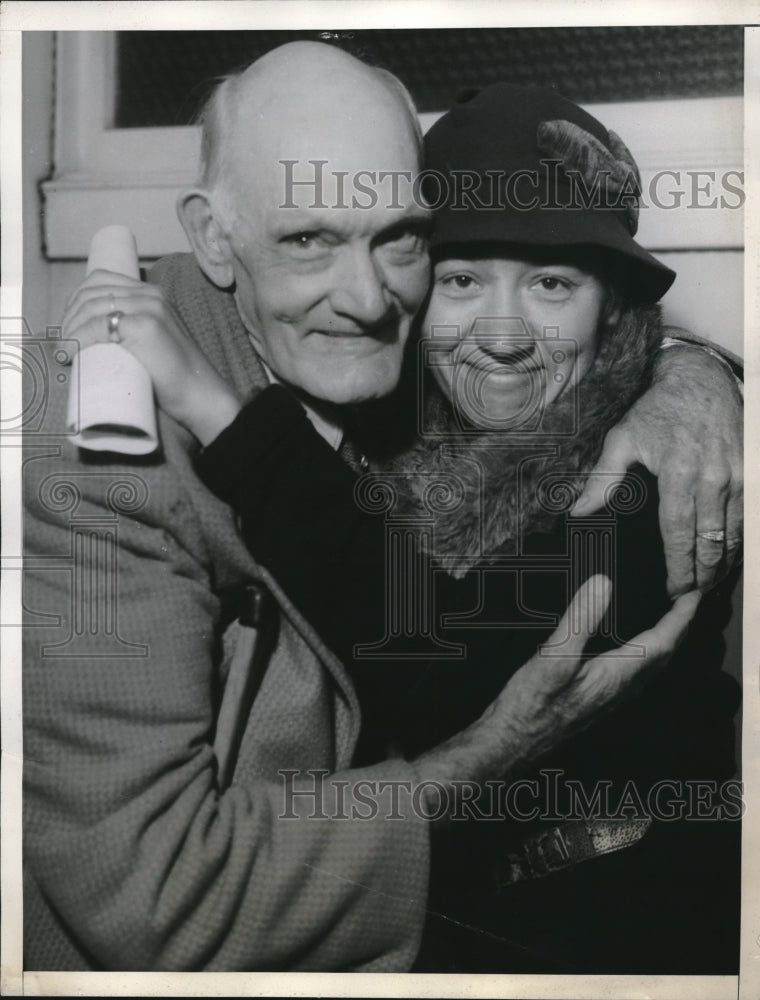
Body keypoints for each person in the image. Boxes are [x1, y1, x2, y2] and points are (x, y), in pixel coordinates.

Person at [23, 42, 741, 972]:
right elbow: (149, 900)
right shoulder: (121, 433)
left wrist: (698, 375)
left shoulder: (632, 468)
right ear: (212, 235)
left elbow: (436, 645)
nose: (500, 333)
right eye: (460, 277)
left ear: (616, 311)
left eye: (399, 238)